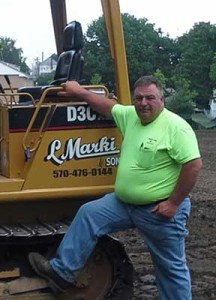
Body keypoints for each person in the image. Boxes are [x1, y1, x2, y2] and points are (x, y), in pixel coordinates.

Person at [28, 76, 202, 299]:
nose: (143, 103)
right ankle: (63, 272)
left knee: (170, 268)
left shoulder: (176, 127)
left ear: (162, 99)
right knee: (89, 213)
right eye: (138, 98)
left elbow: (193, 165)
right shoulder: (131, 116)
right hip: (123, 204)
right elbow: (109, 106)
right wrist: (80, 92)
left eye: (150, 97)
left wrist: (174, 203)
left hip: (159, 210)